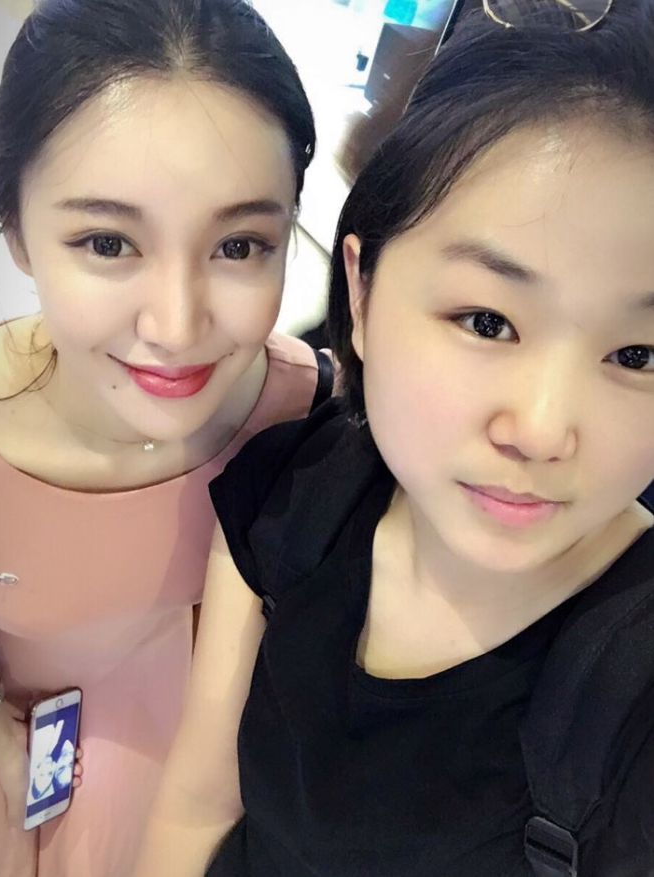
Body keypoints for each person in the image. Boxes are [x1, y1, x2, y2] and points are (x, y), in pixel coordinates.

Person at [134, 1, 654, 875]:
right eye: (485, 320)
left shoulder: (630, 692)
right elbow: (197, 809)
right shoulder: (289, 499)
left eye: (638, 354)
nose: (540, 430)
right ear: (362, 291)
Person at [0, 0, 323, 875]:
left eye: (239, 245)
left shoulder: (311, 415)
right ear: (16, 230)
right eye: (107, 241)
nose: (176, 326)